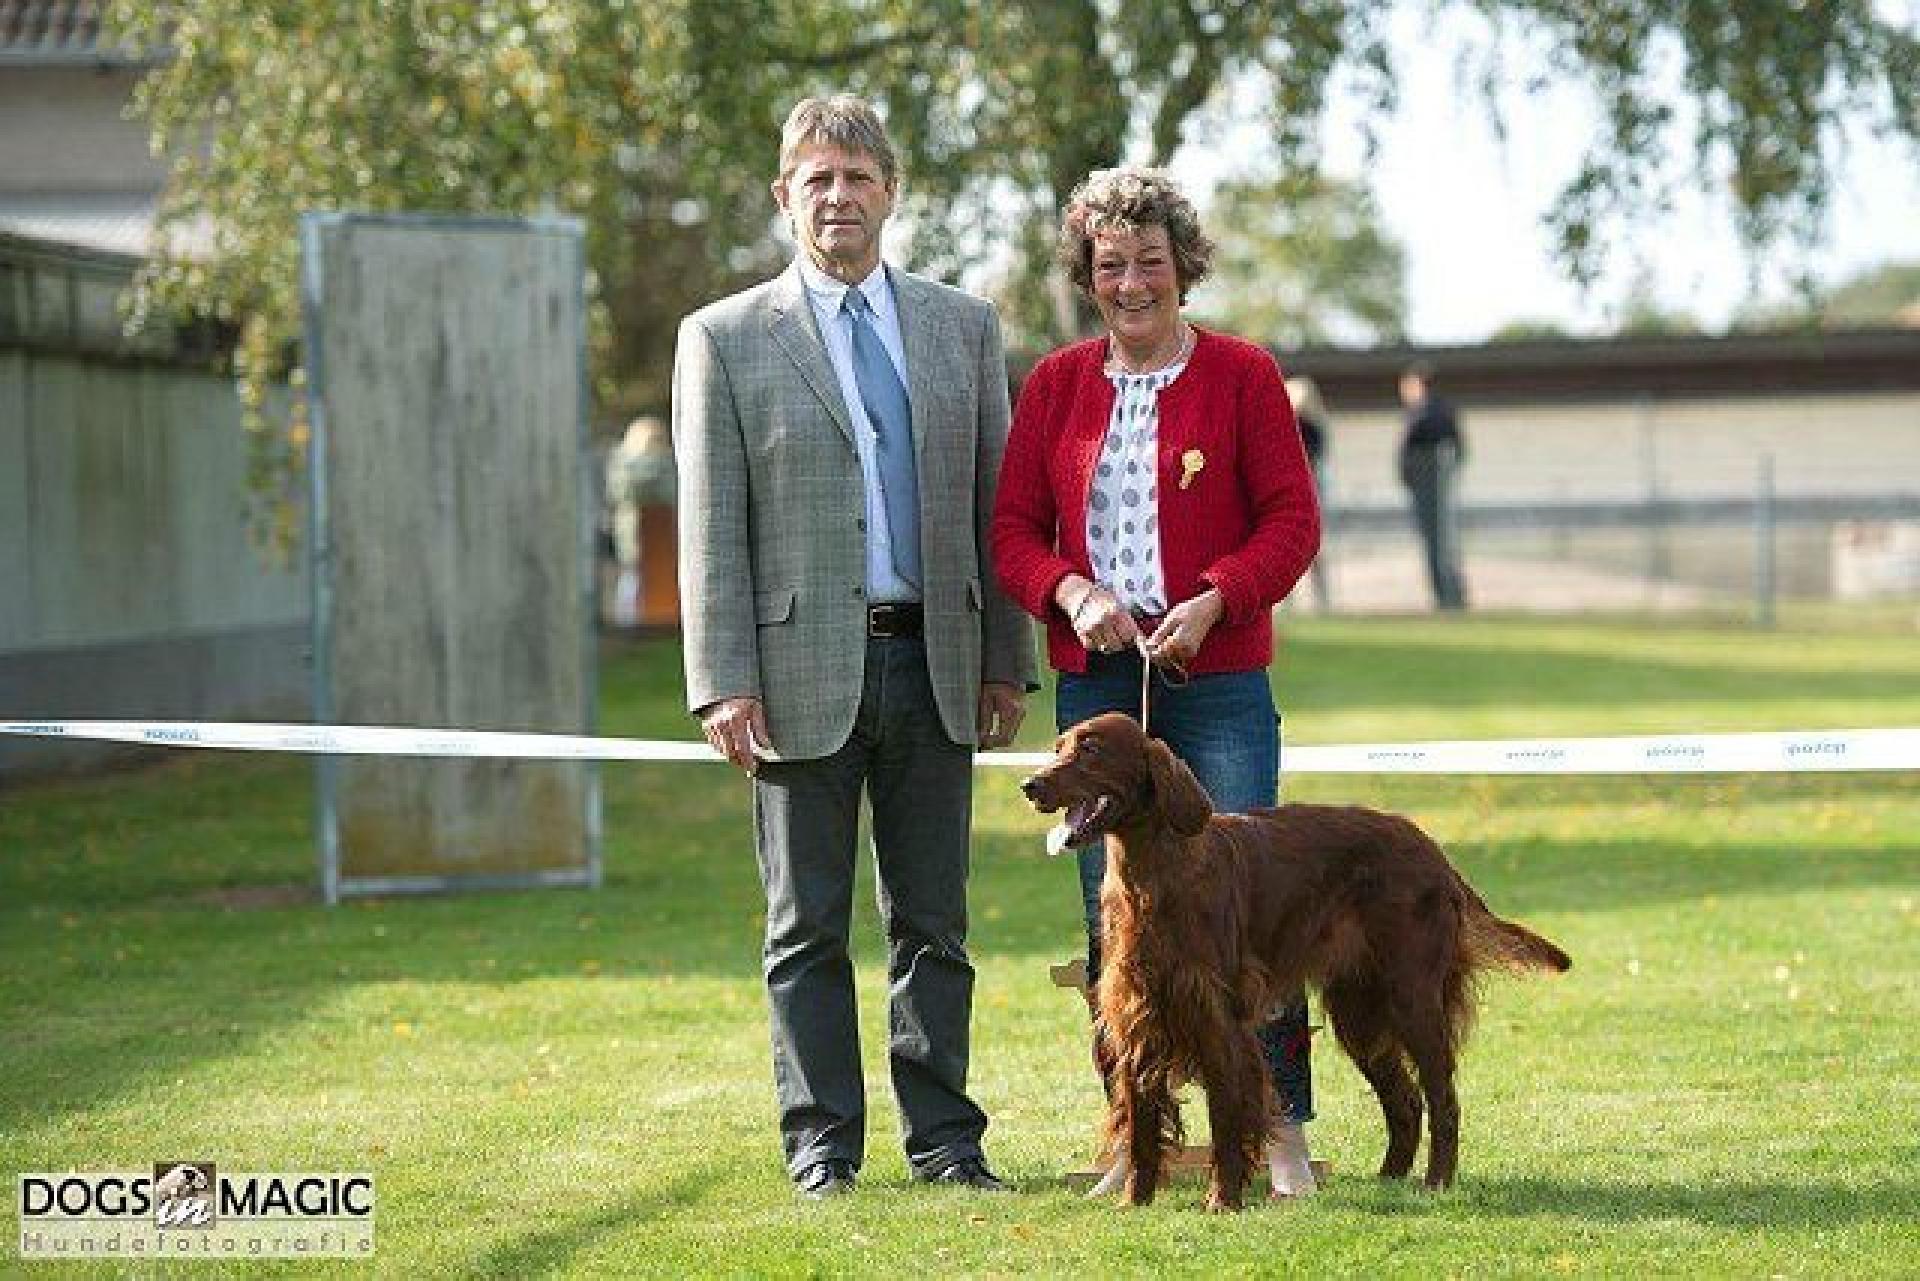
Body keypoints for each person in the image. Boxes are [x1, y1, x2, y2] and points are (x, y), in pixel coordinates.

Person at [672, 94, 1037, 1202]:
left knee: (936, 924)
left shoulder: (962, 327)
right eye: (816, 179)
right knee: (805, 929)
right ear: (785, 196)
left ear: (891, 193)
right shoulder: (724, 338)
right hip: (791, 679)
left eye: (858, 177)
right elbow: (709, 527)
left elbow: (997, 505)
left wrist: (1002, 659)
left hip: (935, 665)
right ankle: (821, 1146)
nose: (839, 197)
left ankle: (947, 1145)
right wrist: (721, 679)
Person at [990, 165, 1324, 1196]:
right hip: (1097, 689)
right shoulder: (1055, 386)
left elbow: (1291, 523)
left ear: (1184, 267)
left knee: (1245, 918)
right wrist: (1070, 591)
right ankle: (1134, 1139)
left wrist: (1220, 596)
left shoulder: (1244, 376)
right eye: (1109, 265)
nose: (1131, 283)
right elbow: (1010, 533)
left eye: (1149, 261)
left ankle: (1279, 1140)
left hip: (1217, 684)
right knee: (1115, 922)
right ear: (1087, 277)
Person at [1397, 361, 1469, 610]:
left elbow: (1456, 448)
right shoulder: (1417, 413)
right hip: (1421, 484)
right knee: (1435, 541)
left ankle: (1450, 597)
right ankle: (1444, 596)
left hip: (1434, 481)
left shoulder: (1432, 412)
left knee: (1441, 540)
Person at [604, 414, 675, 626]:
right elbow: (621, 493)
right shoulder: (622, 465)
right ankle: (629, 624)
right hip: (633, 537)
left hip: (663, 541)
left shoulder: (670, 463)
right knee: (631, 579)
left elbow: (670, 494)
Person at [1285, 375, 1334, 613]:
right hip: (1293, 494)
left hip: (1306, 494)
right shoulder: (1288, 424)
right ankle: (1288, 600)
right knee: (1285, 549)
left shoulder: (1310, 428)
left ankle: (1321, 600)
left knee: (1311, 550)